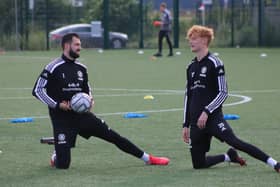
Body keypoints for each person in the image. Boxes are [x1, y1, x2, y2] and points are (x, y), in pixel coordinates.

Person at [32, 33, 169, 169]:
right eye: (77, 44)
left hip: (81, 116)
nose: (80, 47)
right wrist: (57, 105)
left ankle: (148, 158)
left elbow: (87, 89)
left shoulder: (81, 69)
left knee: (113, 136)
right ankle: (58, 149)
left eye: (80, 44)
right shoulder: (53, 67)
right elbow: (37, 90)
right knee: (63, 165)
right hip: (61, 120)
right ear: (67, 46)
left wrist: (90, 100)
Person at [182, 25, 280, 172]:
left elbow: (223, 92)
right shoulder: (190, 67)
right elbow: (188, 96)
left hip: (213, 118)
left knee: (235, 142)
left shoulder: (215, 63)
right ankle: (228, 157)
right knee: (198, 164)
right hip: (196, 122)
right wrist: (185, 124)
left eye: (194, 38)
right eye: (190, 38)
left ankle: (274, 163)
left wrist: (207, 111)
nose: (191, 41)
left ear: (204, 40)